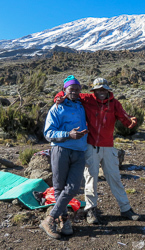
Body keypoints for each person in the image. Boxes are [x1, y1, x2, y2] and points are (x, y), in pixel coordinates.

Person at [54, 78, 139, 224]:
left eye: (103, 90)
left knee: (114, 177)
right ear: (94, 90)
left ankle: (125, 209)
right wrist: (58, 97)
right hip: (90, 145)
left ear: (108, 90)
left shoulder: (114, 103)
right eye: (98, 90)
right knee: (91, 178)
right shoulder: (87, 99)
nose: (101, 92)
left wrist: (130, 122)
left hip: (108, 146)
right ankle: (90, 209)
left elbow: (123, 116)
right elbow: (69, 92)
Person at [41, 75, 88, 239]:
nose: (74, 92)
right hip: (61, 150)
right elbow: (48, 133)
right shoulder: (56, 108)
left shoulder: (82, 106)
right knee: (59, 188)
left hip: (79, 151)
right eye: (71, 89)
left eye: (77, 89)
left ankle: (50, 218)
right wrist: (68, 134)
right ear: (64, 90)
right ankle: (64, 219)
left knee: (73, 187)